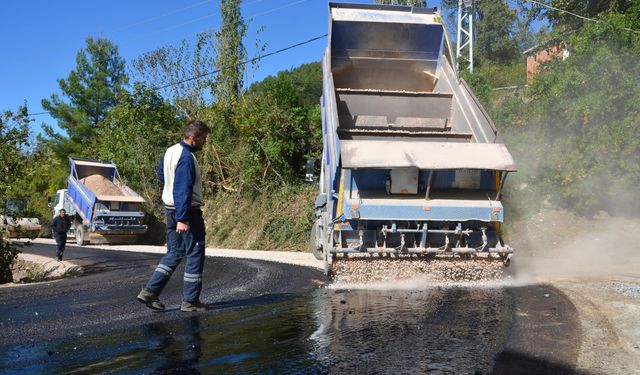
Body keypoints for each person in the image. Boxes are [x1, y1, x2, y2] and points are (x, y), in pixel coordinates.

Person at [137, 120, 210, 312]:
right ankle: (190, 301)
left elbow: (161, 175)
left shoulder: (170, 151)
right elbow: (182, 189)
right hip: (186, 213)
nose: (205, 143)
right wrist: (183, 218)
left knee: (175, 252)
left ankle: (150, 292)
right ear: (193, 137)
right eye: (203, 139)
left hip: (169, 209)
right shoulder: (186, 158)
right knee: (195, 252)